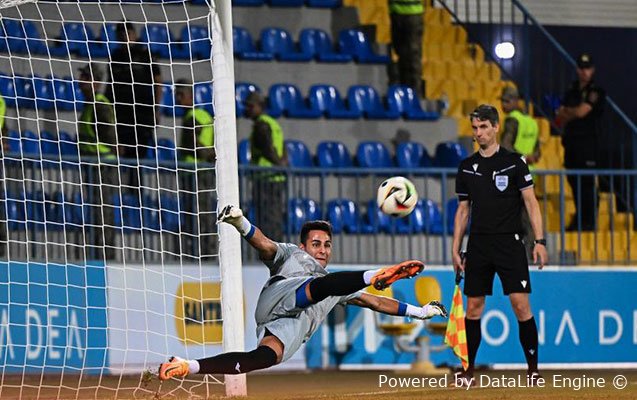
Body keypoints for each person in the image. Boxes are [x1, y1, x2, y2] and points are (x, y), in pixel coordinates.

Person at [158, 205, 448, 379]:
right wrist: (240, 223)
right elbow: (264, 244)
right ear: (303, 247)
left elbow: (374, 301)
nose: (322, 250)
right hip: (283, 296)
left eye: (327, 245)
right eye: (316, 244)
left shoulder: (335, 283)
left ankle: (188, 366)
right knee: (320, 287)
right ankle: (376, 274)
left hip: (289, 324)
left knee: (261, 358)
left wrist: (419, 312)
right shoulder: (290, 255)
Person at [452, 105, 548, 387]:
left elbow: (531, 202)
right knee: (473, 308)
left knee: (520, 305)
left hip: (511, 242)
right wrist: (456, 248)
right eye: (475, 128)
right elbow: (462, 211)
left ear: (495, 127)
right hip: (479, 244)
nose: (478, 133)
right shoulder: (467, 167)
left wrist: (539, 241)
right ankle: (468, 372)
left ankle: (533, 370)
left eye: (483, 127)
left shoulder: (515, 162)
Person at [555, 53, 605, 231]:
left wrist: (568, 112)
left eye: (588, 68)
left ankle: (590, 221)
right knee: (574, 182)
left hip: (588, 145)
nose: (584, 72)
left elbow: (581, 112)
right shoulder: (572, 91)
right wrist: (569, 112)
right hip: (572, 144)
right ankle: (580, 218)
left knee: (587, 184)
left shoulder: (595, 91)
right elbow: (560, 116)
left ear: (592, 70)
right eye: (582, 68)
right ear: (577, 69)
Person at [77, 63, 119, 261]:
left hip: (102, 167)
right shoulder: (89, 106)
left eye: (85, 77)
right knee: (96, 213)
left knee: (103, 214)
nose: (81, 81)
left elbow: (110, 140)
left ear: (95, 82)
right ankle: (98, 252)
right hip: (93, 167)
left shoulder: (99, 105)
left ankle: (105, 256)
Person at [106, 21, 161, 160]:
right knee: (123, 154)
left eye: (128, 33)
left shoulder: (145, 55)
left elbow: (158, 82)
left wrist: (156, 108)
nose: (125, 37)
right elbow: (110, 84)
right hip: (122, 114)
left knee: (139, 155)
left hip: (142, 113)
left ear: (135, 35)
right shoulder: (115, 57)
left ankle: (136, 182)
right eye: (121, 34)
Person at [174, 79, 216, 260]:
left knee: (196, 214)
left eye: (181, 94)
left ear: (190, 96)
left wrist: (207, 155)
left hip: (195, 173)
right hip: (201, 172)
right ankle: (206, 252)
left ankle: (201, 255)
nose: (177, 98)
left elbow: (194, 145)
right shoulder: (204, 115)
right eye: (177, 94)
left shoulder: (193, 117)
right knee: (202, 213)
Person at [245, 91, 287, 242]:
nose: (247, 109)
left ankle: (271, 251)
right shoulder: (273, 123)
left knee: (266, 219)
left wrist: (278, 165)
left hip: (265, 177)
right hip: (275, 177)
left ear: (260, 107)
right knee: (274, 217)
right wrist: (283, 166)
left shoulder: (261, 125)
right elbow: (283, 149)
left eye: (250, 106)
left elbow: (268, 149)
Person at [388, 0, 425, 96]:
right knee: (402, 54)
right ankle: (405, 92)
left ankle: (415, 94)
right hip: (398, 13)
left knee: (412, 56)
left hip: (411, 14)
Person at [500, 86, 540, 168]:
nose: (503, 105)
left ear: (516, 101)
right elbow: (537, 152)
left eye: (507, 101)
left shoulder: (512, 119)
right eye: (502, 101)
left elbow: (505, 146)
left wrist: (522, 158)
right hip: (530, 172)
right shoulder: (532, 122)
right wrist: (530, 158)